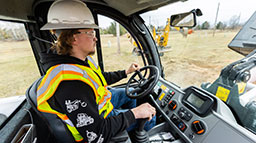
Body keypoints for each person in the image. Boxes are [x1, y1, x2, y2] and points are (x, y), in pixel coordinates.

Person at [36, 0, 156, 142]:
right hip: (101, 120)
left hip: (100, 105)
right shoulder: (70, 84)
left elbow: (99, 78)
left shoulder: (78, 60)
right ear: (74, 38)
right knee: (149, 118)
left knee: (132, 93)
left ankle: (131, 131)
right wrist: (135, 113)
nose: (96, 38)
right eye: (91, 32)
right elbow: (96, 134)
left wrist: (125, 72)